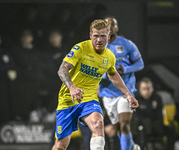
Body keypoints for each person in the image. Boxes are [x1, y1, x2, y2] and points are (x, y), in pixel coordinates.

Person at [52, 19, 139, 150]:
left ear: (108, 36)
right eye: (96, 36)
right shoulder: (80, 48)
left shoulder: (109, 56)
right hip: (68, 100)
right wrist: (72, 87)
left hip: (89, 99)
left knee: (98, 125)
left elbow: (113, 74)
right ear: (90, 35)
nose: (99, 40)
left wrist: (128, 94)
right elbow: (62, 69)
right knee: (60, 146)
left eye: (103, 36)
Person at [99, 17, 144, 150]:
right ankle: (131, 147)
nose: (110, 27)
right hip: (107, 93)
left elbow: (140, 64)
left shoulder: (127, 44)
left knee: (125, 124)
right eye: (107, 25)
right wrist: (105, 74)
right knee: (118, 128)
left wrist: (125, 69)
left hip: (126, 91)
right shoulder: (96, 46)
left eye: (113, 25)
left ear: (117, 28)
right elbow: (93, 69)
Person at [132, 77, 164, 149]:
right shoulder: (134, 99)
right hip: (138, 128)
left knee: (170, 129)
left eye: (148, 88)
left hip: (153, 126)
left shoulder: (157, 98)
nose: (146, 91)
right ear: (139, 89)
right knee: (141, 127)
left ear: (152, 88)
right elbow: (134, 117)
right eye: (144, 89)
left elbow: (159, 116)